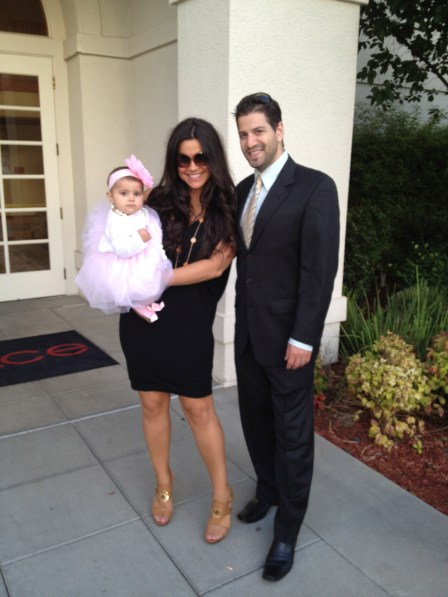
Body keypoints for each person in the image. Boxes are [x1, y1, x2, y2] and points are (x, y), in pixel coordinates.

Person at [233, 92, 340, 581]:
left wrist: (304, 338)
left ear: (279, 130)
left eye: (258, 131)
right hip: (249, 337)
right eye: (243, 134)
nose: (250, 141)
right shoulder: (242, 190)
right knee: (256, 423)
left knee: (293, 437)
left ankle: (287, 532)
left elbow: (319, 272)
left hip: (289, 343)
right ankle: (268, 491)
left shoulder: (315, 187)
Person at [119, 118, 236, 543]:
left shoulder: (228, 207)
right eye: (183, 159)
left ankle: (222, 495)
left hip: (189, 323)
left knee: (198, 408)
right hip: (142, 320)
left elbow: (216, 266)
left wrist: (158, 278)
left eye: (200, 157)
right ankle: (163, 484)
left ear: (213, 158)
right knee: (152, 404)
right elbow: (120, 233)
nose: (192, 166)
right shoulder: (158, 201)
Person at [76, 155, 172, 322]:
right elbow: (122, 249)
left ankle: (145, 302)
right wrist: (140, 238)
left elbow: (154, 234)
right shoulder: (116, 221)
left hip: (141, 254)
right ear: (110, 197)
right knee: (136, 283)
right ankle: (136, 303)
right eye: (124, 193)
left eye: (137, 193)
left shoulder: (142, 212)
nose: (131, 198)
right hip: (126, 261)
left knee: (150, 282)